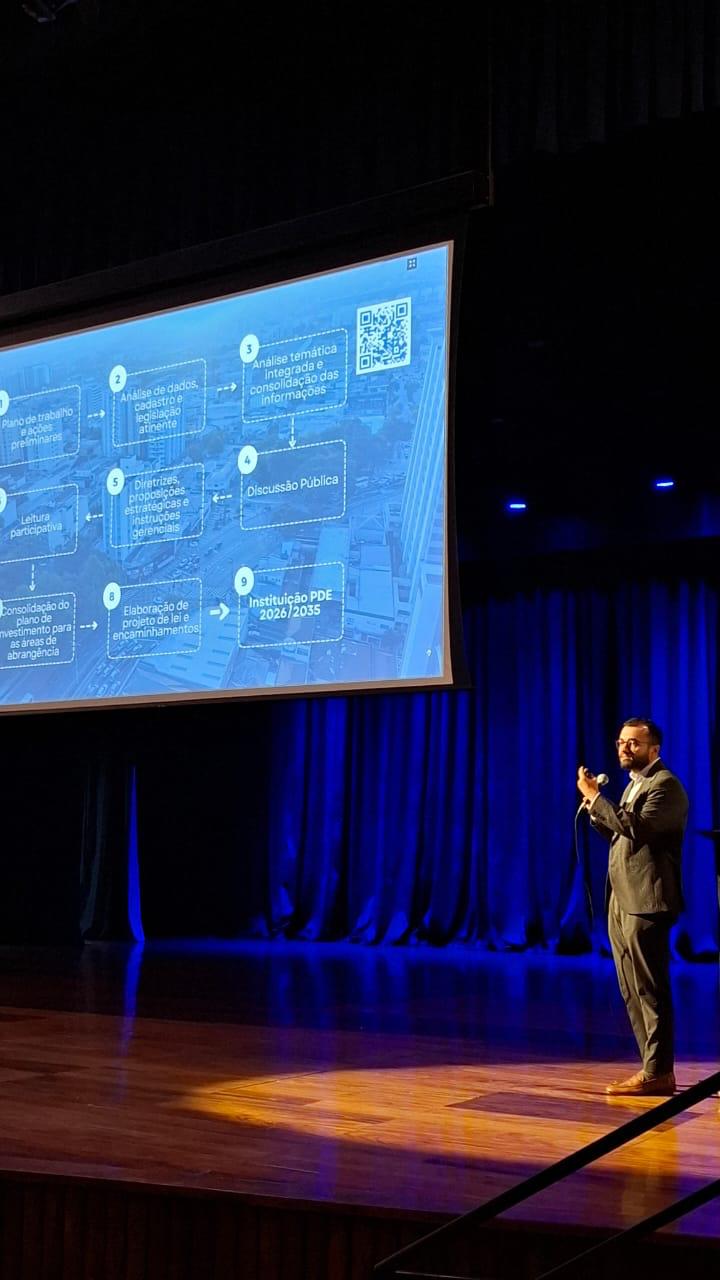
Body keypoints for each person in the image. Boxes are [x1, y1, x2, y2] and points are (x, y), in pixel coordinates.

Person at [577, 718, 688, 1096]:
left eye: (634, 744)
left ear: (654, 749)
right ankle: (651, 1069)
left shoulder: (665, 785)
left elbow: (640, 829)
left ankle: (659, 1070)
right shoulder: (633, 784)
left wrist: (597, 799)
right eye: (621, 742)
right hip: (622, 899)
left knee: (650, 989)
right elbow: (621, 834)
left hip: (646, 901)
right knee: (630, 989)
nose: (625, 748)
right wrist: (595, 810)